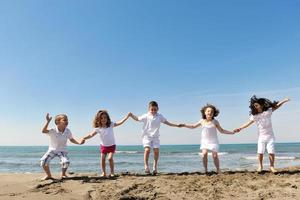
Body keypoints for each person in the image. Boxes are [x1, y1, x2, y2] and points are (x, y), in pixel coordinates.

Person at [234, 96, 290, 173]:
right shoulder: (254, 116)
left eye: (257, 105)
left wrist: (284, 100)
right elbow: (248, 123)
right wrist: (240, 128)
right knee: (260, 152)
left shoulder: (268, 111)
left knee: (271, 152)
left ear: (262, 105)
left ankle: (272, 167)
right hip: (261, 137)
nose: (255, 106)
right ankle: (260, 166)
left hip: (270, 136)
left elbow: (277, 106)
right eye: (254, 105)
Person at [130, 101, 182, 175]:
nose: (153, 111)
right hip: (146, 136)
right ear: (149, 109)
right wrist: (131, 115)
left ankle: (155, 166)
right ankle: (146, 166)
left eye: (155, 109)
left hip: (155, 137)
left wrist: (176, 125)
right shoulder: (146, 116)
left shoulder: (160, 116)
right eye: (152, 109)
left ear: (158, 109)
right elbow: (137, 119)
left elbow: (168, 123)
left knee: (156, 151)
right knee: (147, 150)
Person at [181, 104, 234, 174]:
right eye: (208, 111)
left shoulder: (215, 122)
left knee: (215, 156)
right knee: (204, 154)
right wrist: (184, 125)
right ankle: (206, 170)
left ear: (213, 113)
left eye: (211, 111)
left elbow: (221, 130)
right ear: (205, 112)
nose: (210, 113)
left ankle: (218, 169)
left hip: (213, 141)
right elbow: (193, 126)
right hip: (205, 141)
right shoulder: (202, 121)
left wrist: (231, 132)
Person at [81, 110, 131, 177]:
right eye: (101, 118)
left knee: (110, 158)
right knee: (102, 159)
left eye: (105, 117)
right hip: (104, 146)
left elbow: (119, 123)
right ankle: (104, 173)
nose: (103, 119)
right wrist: (84, 138)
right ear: (99, 119)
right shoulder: (98, 128)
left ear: (107, 118)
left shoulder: (111, 125)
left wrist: (127, 117)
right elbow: (91, 135)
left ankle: (112, 172)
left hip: (112, 145)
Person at [40, 113, 84, 180]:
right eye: (64, 120)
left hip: (62, 150)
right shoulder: (53, 130)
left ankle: (63, 174)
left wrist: (79, 143)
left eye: (67, 120)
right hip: (52, 150)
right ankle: (49, 175)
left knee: (66, 162)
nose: (67, 122)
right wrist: (48, 121)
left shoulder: (67, 131)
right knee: (43, 162)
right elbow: (43, 131)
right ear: (58, 122)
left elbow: (71, 139)